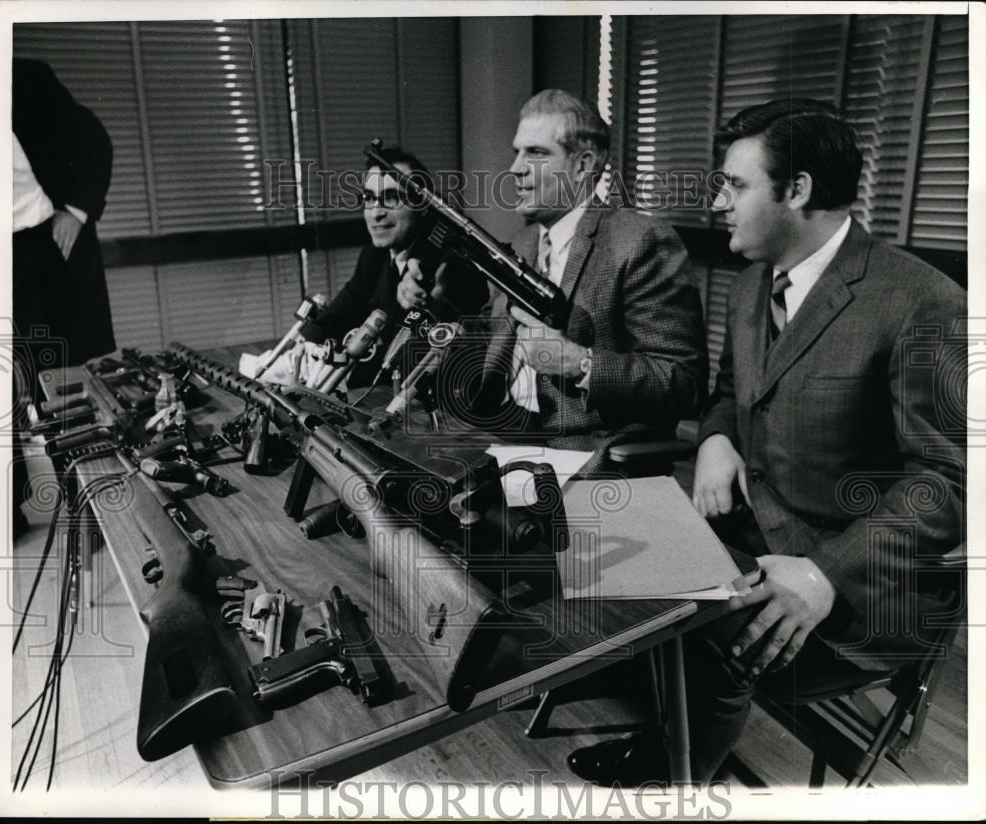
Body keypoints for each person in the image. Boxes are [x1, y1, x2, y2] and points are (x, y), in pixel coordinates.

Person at [567, 98, 965, 785]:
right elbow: (728, 393)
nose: (720, 202)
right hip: (757, 535)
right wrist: (720, 438)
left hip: (862, 590)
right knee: (596, 535)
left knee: (693, 622)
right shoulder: (751, 285)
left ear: (799, 189)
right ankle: (669, 729)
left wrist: (823, 574)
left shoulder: (920, 301)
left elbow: (947, 484)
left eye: (735, 184)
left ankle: (680, 772)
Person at [399, 89, 707, 476]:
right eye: (516, 152)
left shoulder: (640, 240)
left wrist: (581, 364)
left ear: (583, 166)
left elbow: (685, 386)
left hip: (586, 459)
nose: (515, 168)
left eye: (536, 153)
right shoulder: (524, 243)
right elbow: (493, 334)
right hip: (499, 438)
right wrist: (437, 302)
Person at [12, 58, 116, 538]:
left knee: (59, 388)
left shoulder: (22, 76)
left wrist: (76, 209)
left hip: (37, 248)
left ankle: (86, 512)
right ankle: (5, 515)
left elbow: (93, 138)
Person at [295, 147, 488, 390]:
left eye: (391, 197)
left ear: (423, 206)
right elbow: (337, 314)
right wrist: (306, 341)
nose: (375, 212)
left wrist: (433, 300)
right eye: (369, 198)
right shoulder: (372, 256)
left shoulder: (450, 267)